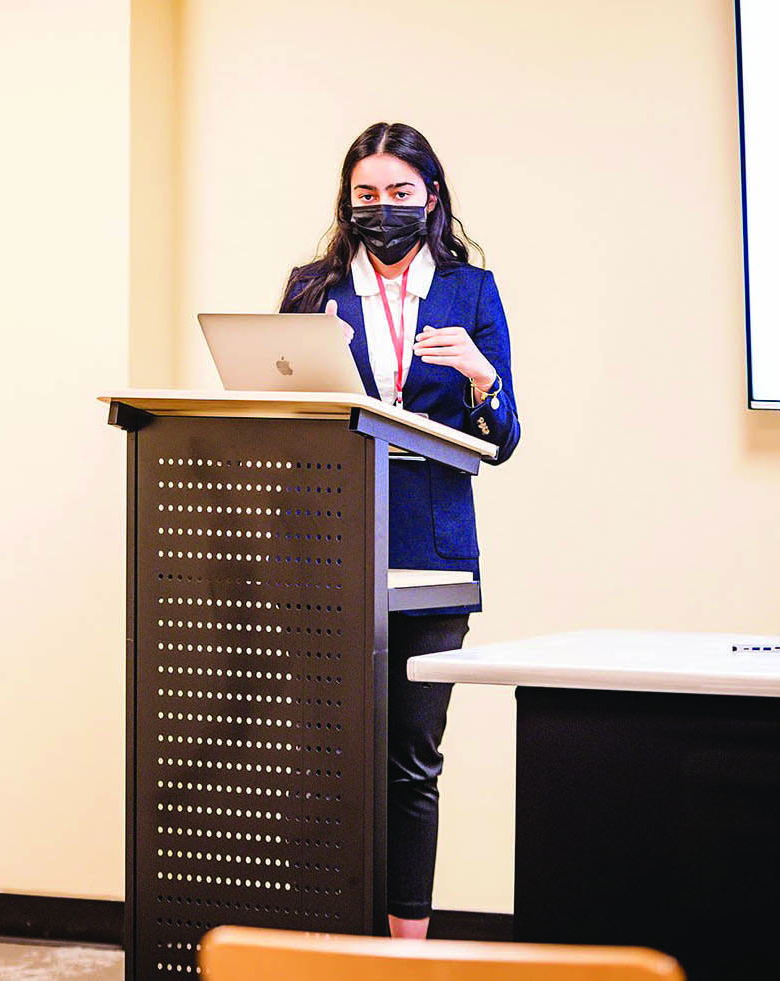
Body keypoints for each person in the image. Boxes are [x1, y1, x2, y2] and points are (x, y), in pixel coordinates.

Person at [280, 121, 521, 939]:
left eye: (400, 194)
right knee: (328, 761)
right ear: (347, 203)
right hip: (329, 546)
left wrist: (479, 376)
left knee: (410, 762)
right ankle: (327, 938)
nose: (382, 208)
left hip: (430, 551)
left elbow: (503, 437)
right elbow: (282, 413)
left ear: (431, 199)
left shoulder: (471, 291)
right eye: (366, 195)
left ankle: (404, 949)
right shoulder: (312, 288)